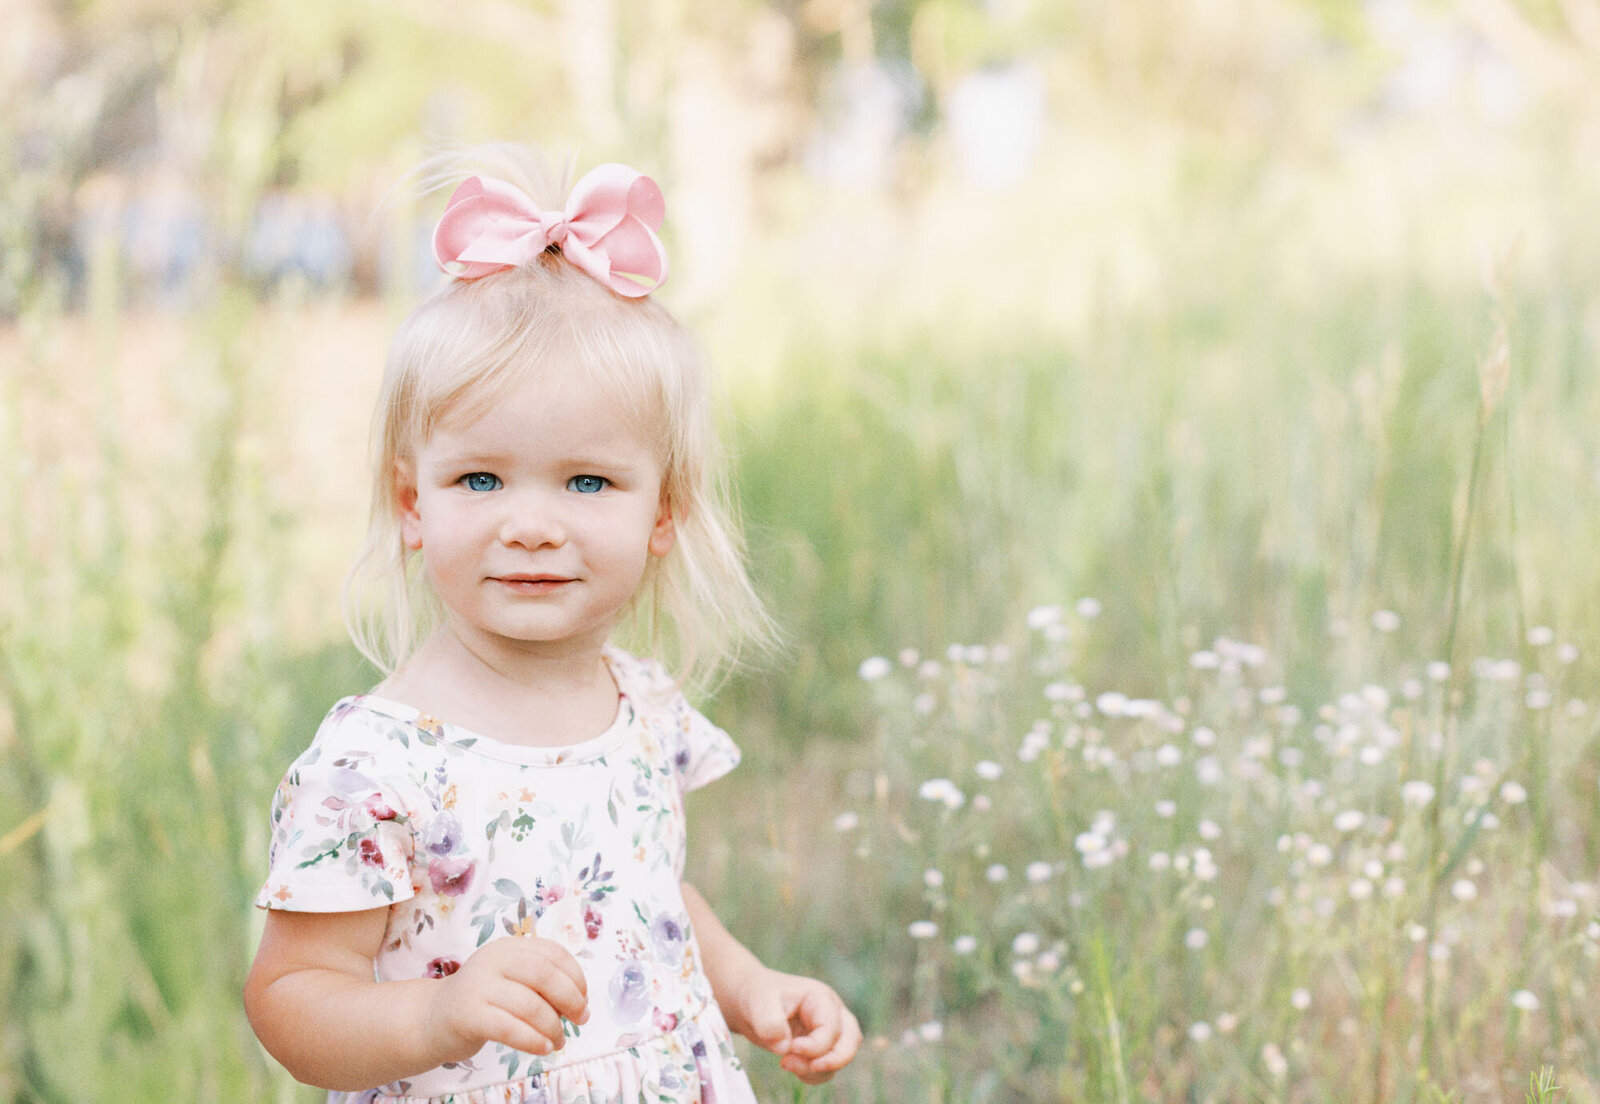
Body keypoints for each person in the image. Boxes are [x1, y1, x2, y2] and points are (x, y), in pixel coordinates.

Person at [243, 149, 861, 1104]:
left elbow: (649, 900)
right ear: (414, 504)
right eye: (480, 480)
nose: (531, 523)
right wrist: (435, 1017)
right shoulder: (377, 762)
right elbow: (291, 997)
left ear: (664, 514)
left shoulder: (640, 704)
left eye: (588, 481)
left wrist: (749, 987)